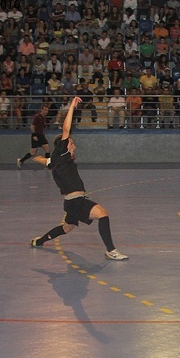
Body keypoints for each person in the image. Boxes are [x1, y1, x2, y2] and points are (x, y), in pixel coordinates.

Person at [30, 97, 129, 260]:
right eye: (72, 143)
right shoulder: (62, 152)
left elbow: (45, 161)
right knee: (103, 214)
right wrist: (72, 106)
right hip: (76, 201)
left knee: (67, 228)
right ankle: (111, 250)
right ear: (64, 144)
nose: (73, 145)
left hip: (71, 203)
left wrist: (37, 159)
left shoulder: (57, 160)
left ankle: (39, 241)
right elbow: (66, 129)